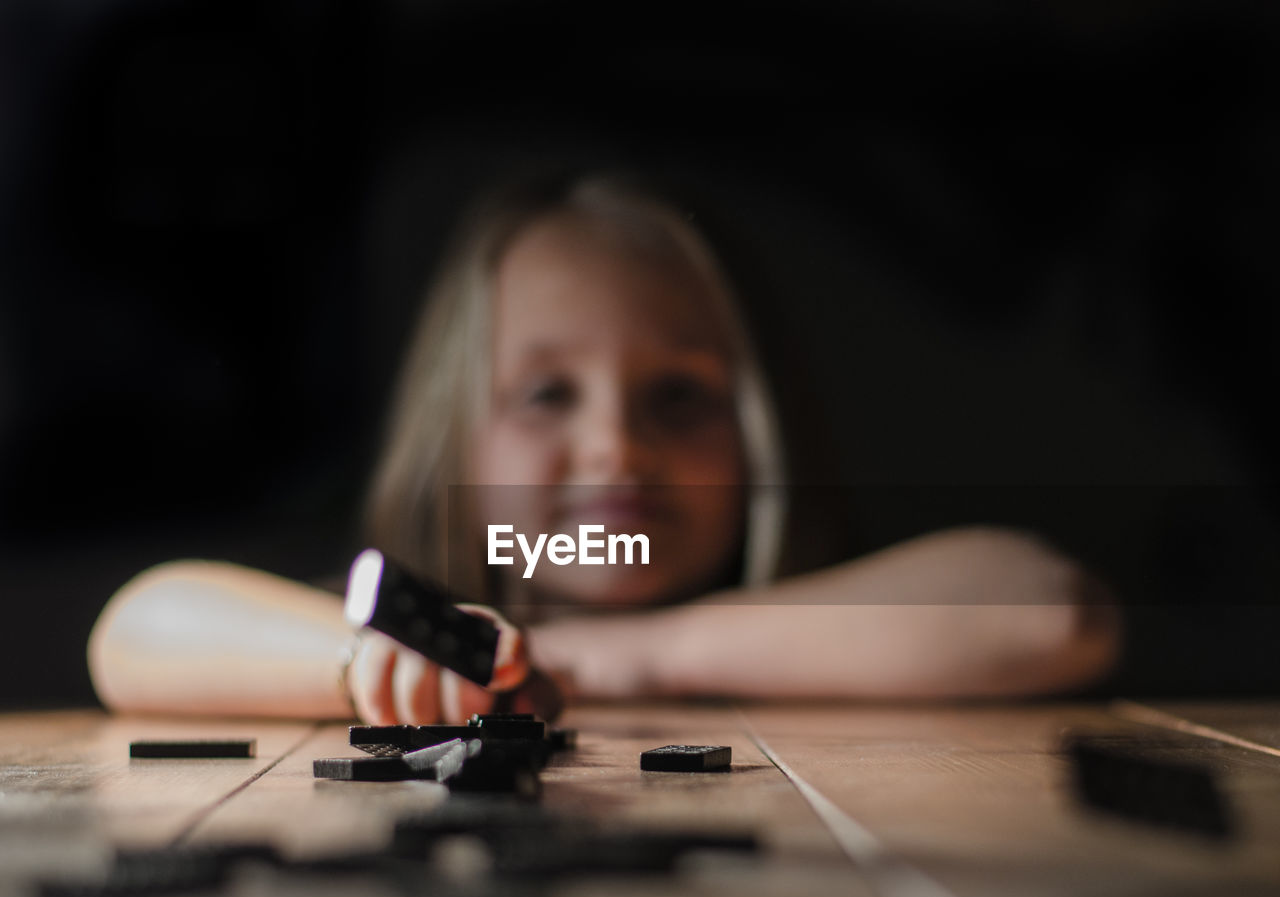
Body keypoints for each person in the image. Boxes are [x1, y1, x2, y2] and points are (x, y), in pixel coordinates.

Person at [87, 172, 1121, 724]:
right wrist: (367, 664)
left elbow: (1052, 610)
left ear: (759, 436)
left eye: (677, 397)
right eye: (545, 395)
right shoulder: (405, 629)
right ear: (453, 437)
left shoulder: (830, 624)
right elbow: (136, 627)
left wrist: (610, 658)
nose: (613, 450)